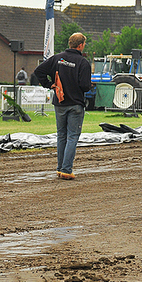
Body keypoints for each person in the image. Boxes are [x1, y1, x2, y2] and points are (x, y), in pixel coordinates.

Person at [34, 32, 92, 180]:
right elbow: (85, 86)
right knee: (72, 136)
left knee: (61, 136)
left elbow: (38, 71)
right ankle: (66, 169)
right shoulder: (83, 63)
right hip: (75, 104)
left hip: (59, 103)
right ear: (80, 45)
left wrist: (49, 85)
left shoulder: (56, 58)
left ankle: (60, 168)